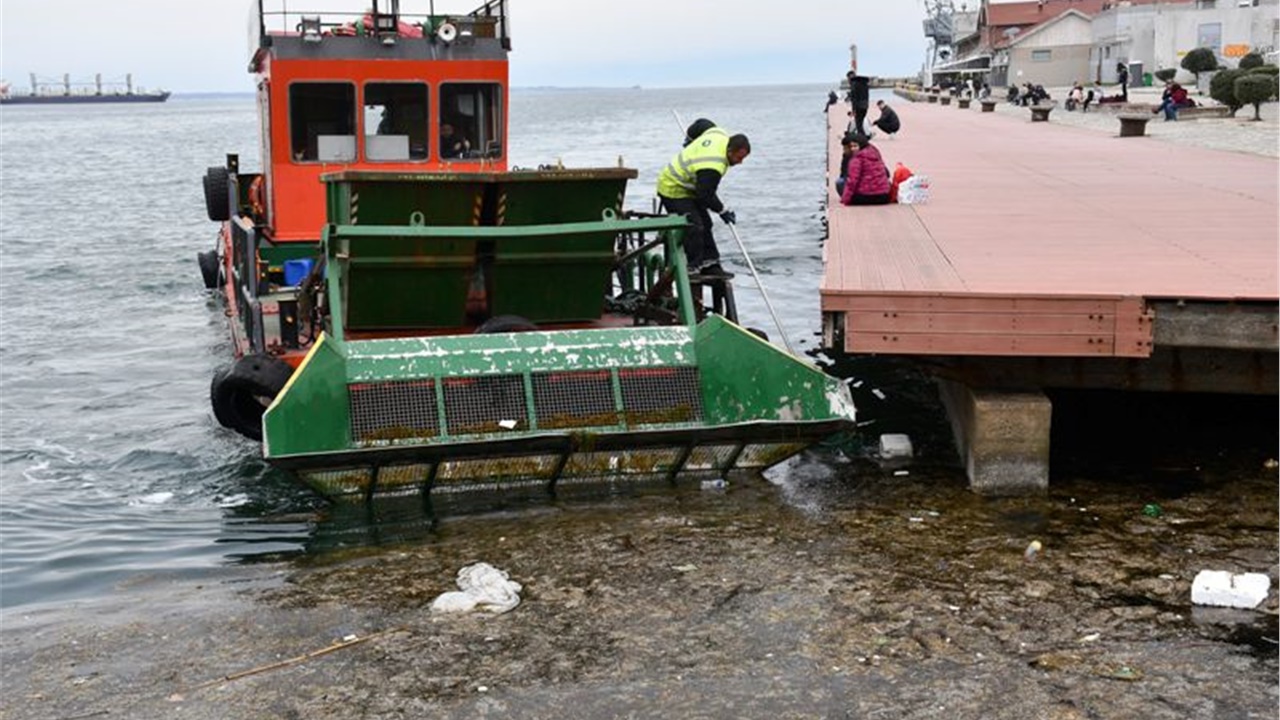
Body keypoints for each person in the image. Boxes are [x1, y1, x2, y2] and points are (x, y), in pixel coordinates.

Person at [656, 127, 752, 276]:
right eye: (739, 158)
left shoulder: (720, 134)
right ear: (730, 151)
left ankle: (710, 263)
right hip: (672, 187)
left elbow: (705, 125)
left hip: (690, 186)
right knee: (695, 225)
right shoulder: (713, 165)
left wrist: (691, 137)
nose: (740, 163)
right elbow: (705, 195)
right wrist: (723, 211)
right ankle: (693, 266)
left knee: (707, 223)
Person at [839, 132, 891, 206]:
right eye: (851, 146)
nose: (853, 149)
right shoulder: (875, 153)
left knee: (840, 182)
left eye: (855, 146)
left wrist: (845, 200)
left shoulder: (857, 159)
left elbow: (852, 181)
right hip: (884, 196)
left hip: (866, 197)